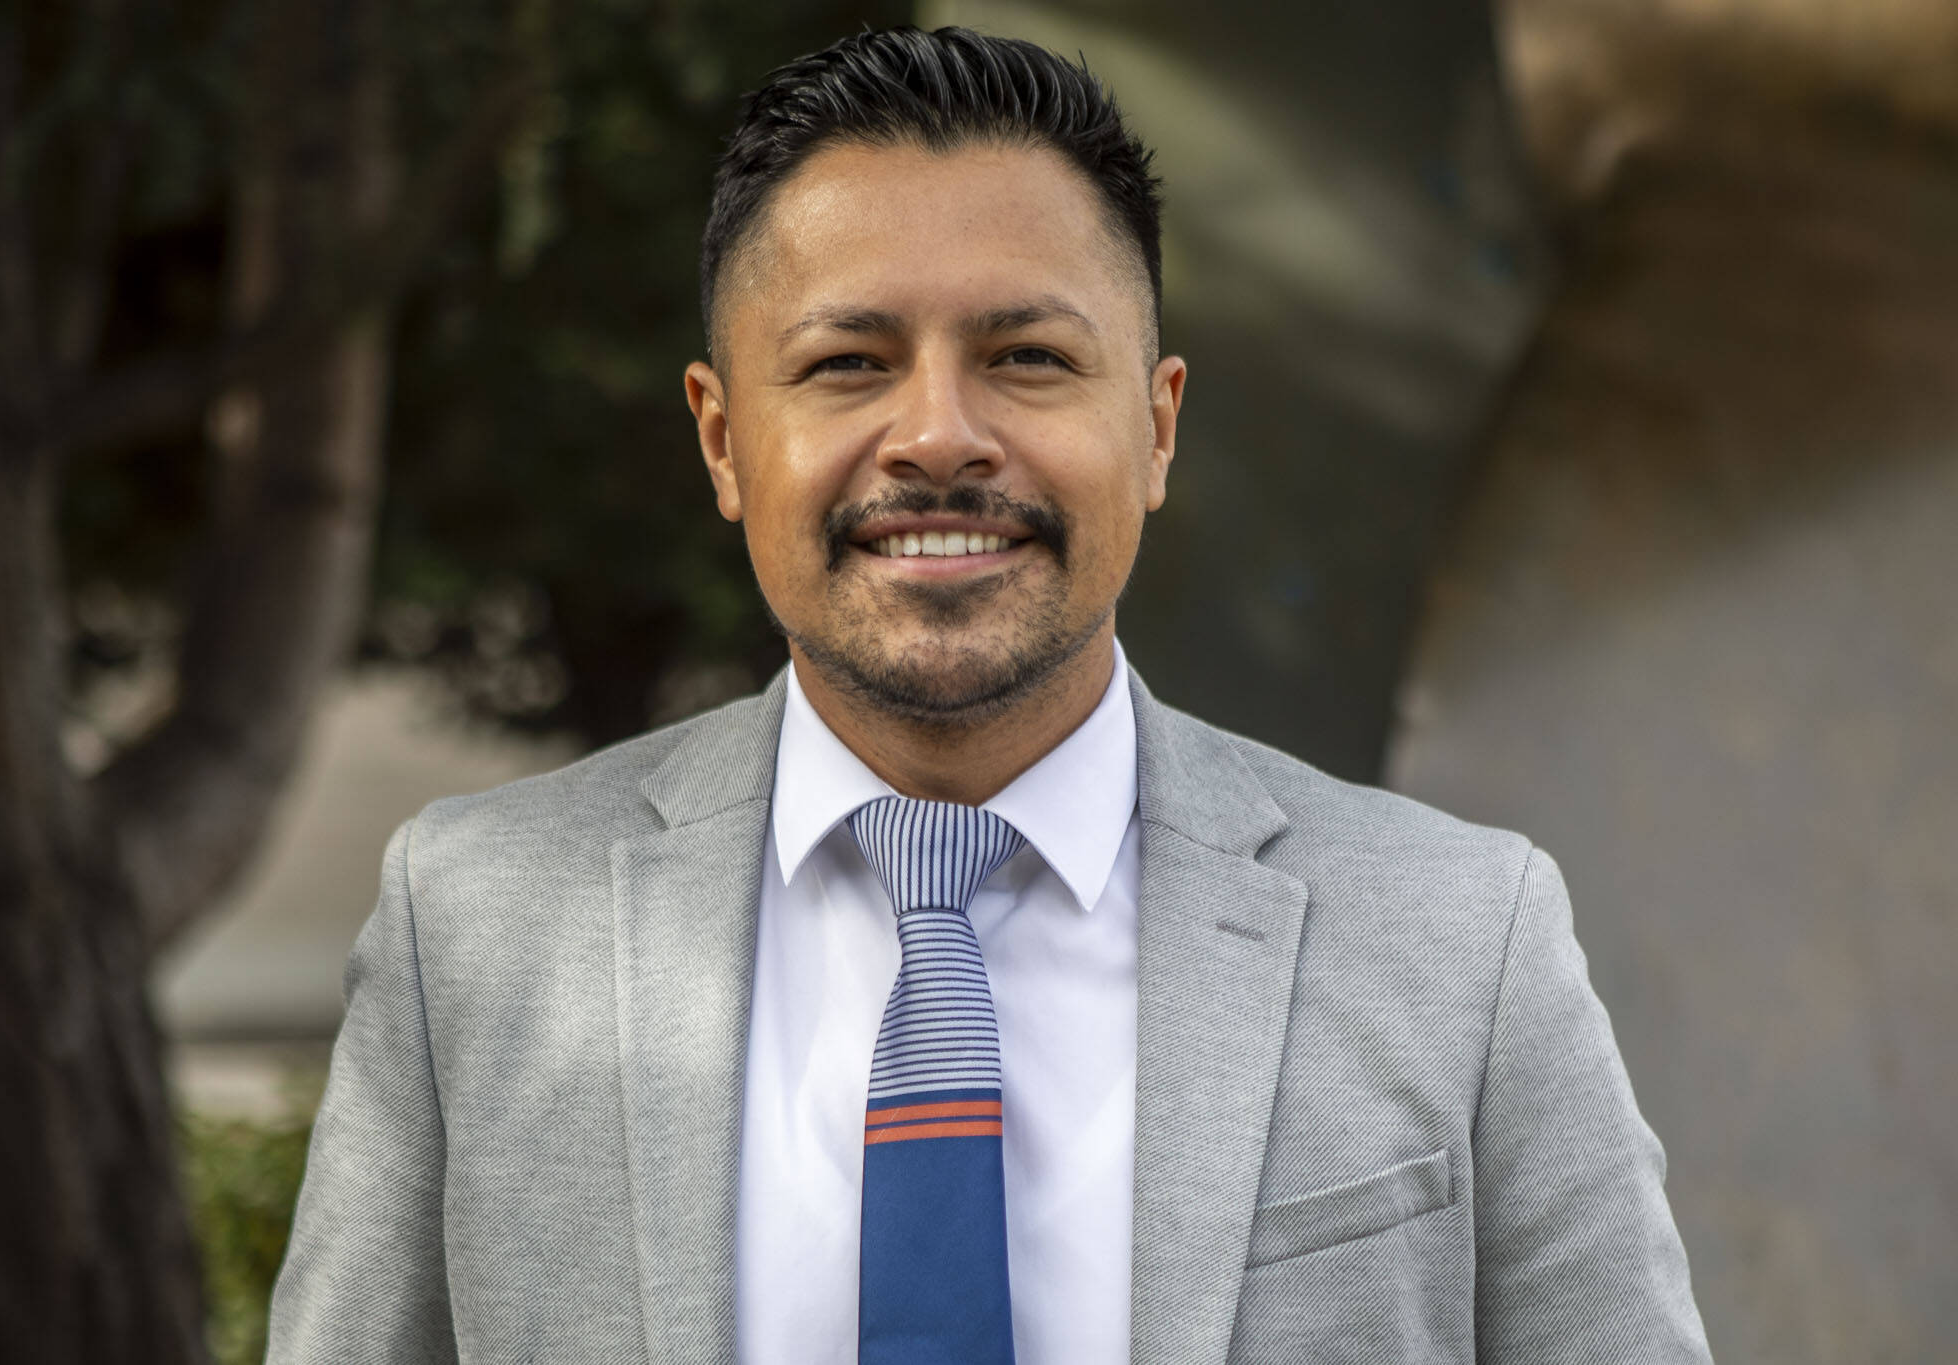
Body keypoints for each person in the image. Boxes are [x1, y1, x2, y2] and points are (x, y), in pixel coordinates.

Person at [265, 25, 1712, 1365]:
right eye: (847, 364)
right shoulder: (474, 926)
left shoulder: (1464, 942)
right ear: (721, 440)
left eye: (1027, 358)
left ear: (1153, 427)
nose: (940, 436)